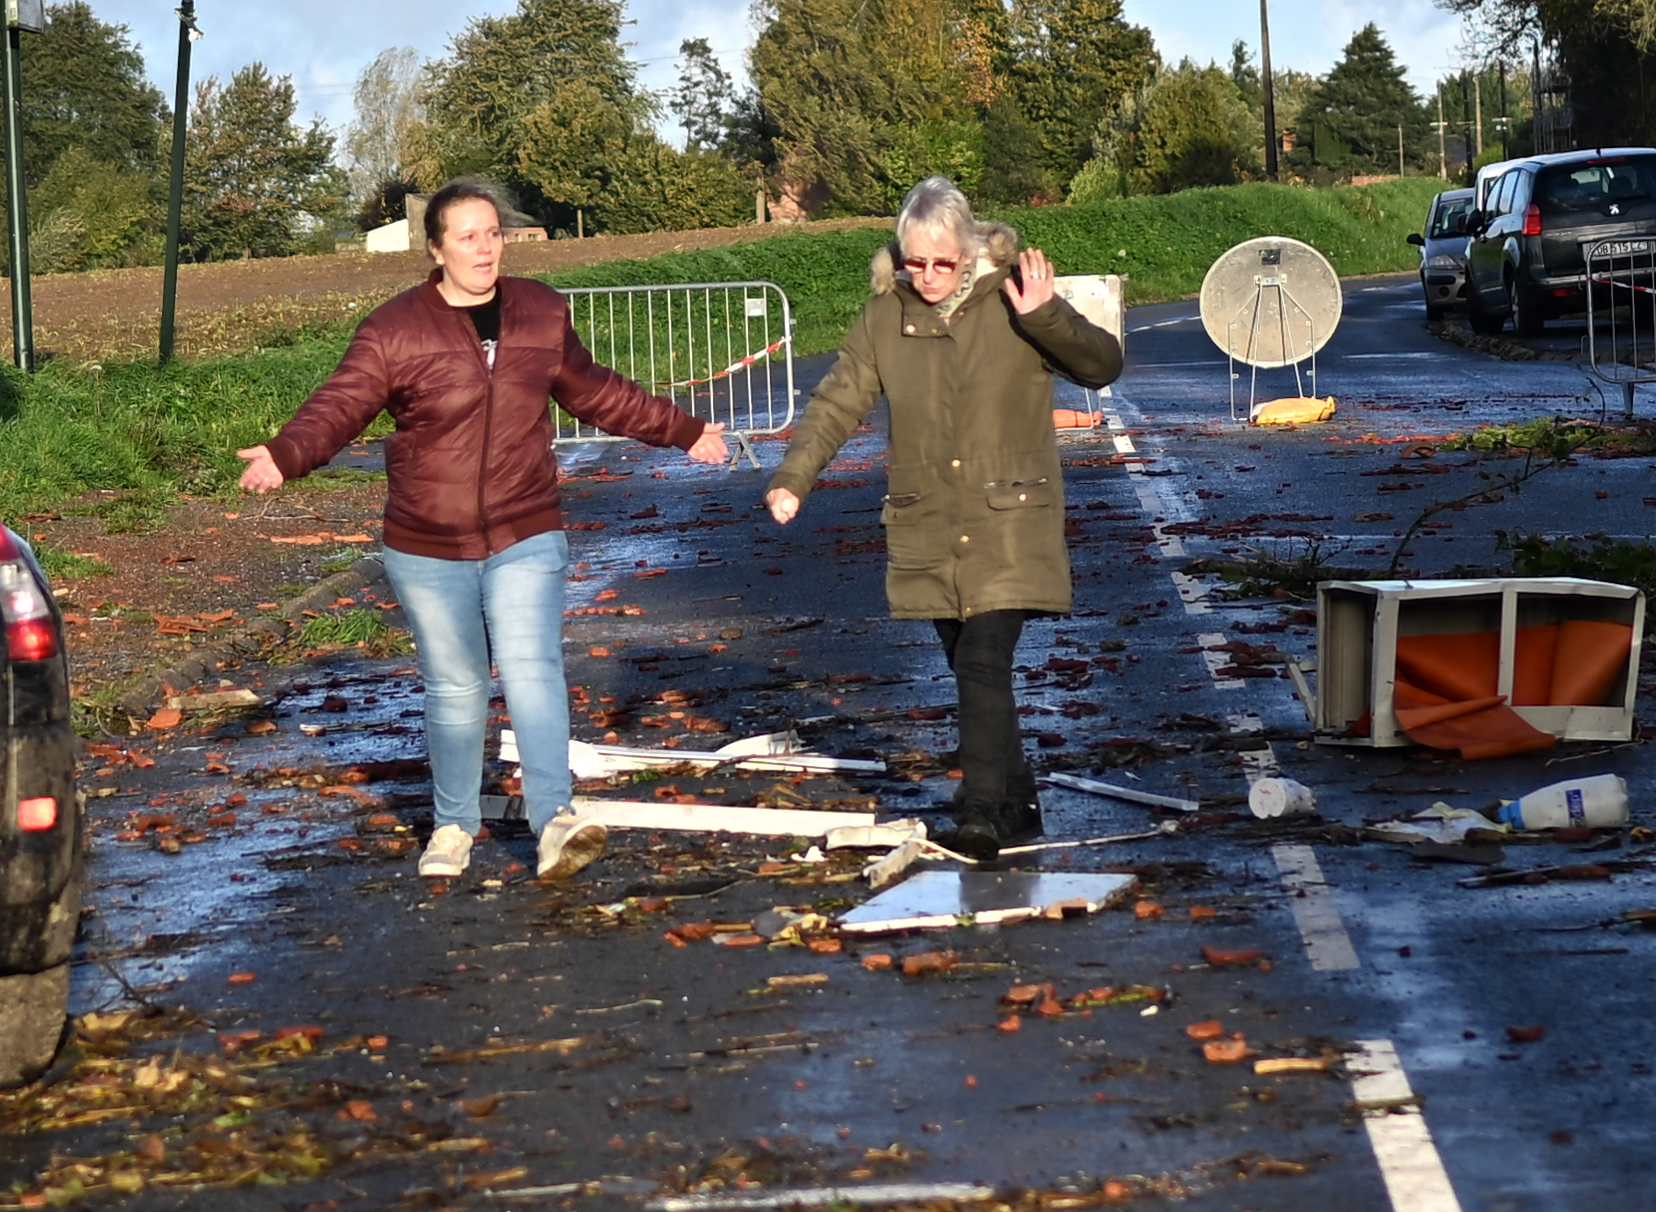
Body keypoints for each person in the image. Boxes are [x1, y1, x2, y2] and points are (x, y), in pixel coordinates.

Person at [237, 176, 726, 878]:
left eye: (492, 233)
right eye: (467, 236)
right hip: (427, 541)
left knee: (531, 670)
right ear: (436, 249)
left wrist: (682, 430)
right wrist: (287, 454)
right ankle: (453, 827)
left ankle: (554, 819)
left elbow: (597, 393)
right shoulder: (395, 328)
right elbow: (341, 404)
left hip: (525, 524)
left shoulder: (540, 313)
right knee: (457, 686)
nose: (485, 247)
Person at [762, 177, 1128, 856]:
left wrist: (1048, 315)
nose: (927, 277)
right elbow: (838, 401)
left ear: (969, 253)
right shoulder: (884, 317)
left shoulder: (1017, 296)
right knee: (969, 664)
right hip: (928, 522)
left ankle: (982, 810)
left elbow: (1102, 364)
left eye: (942, 263)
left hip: (1008, 519)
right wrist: (793, 478)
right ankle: (1018, 802)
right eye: (913, 263)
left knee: (983, 661)